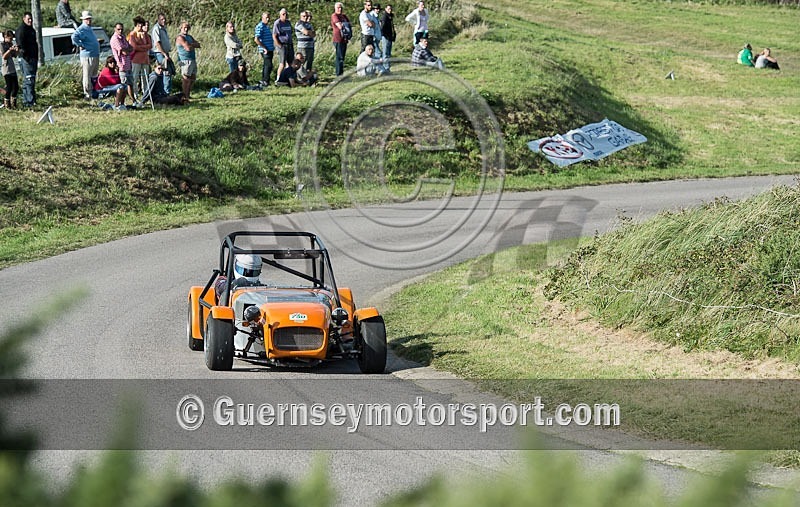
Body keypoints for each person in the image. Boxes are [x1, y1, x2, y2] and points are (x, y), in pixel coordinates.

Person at [71, 11, 101, 100]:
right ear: (83, 20)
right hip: (87, 55)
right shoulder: (82, 29)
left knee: (94, 75)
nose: (89, 21)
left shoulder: (89, 28)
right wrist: (81, 45)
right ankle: (87, 94)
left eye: (89, 19)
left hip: (94, 54)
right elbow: (74, 37)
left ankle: (94, 91)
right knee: (87, 75)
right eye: (87, 19)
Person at [15, 12, 37, 107]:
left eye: (31, 19)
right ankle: (29, 102)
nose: (30, 20)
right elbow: (20, 45)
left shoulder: (31, 29)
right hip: (26, 59)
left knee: (31, 80)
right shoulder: (21, 30)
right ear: (24, 19)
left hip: (33, 57)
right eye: (28, 19)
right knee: (28, 80)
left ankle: (30, 100)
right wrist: (26, 56)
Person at [128, 16, 152, 103]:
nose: (141, 28)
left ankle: (145, 96)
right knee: (134, 77)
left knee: (145, 78)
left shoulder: (145, 34)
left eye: (142, 26)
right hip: (135, 59)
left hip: (145, 59)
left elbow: (150, 45)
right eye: (139, 26)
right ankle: (135, 95)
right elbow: (134, 47)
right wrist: (144, 48)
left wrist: (142, 47)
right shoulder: (132, 34)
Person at [176, 21, 201, 101]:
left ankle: (188, 94)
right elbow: (188, 48)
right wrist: (192, 45)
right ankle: (184, 96)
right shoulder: (180, 37)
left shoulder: (189, 37)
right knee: (186, 79)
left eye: (187, 28)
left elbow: (198, 44)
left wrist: (191, 44)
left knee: (192, 78)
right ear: (181, 28)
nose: (186, 29)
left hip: (192, 59)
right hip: (185, 60)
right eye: (184, 27)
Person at [110, 22, 134, 107]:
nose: (120, 31)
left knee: (130, 84)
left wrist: (126, 50)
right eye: (118, 29)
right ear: (115, 29)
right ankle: (119, 104)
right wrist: (126, 50)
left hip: (128, 64)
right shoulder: (114, 39)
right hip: (121, 65)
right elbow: (123, 51)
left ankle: (130, 101)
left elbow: (131, 48)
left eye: (121, 29)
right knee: (123, 86)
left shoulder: (123, 37)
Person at [151, 13, 173, 94]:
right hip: (160, 53)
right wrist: (164, 54)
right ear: (158, 20)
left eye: (165, 19)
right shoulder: (156, 28)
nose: (164, 21)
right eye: (162, 19)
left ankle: (167, 91)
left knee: (168, 72)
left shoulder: (163, 28)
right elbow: (157, 43)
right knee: (165, 72)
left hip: (165, 53)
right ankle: (165, 92)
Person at [273, 8, 294, 83]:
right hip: (282, 44)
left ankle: (289, 77)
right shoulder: (277, 23)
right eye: (283, 14)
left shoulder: (288, 22)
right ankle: (278, 79)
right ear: (280, 15)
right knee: (282, 63)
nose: (285, 15)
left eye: (286, 14)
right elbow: (274, 35)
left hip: (289, 44)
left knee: (290, 63)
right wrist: (279, 45)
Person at [254, 12, 275, 86]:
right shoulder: (260, 26)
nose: (268, 19)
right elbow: (256, 39)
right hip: (265, 49)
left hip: (270, 48)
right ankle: (265, 80)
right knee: (268, 65)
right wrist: (264, 47)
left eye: (269, 17)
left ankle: (266, 80)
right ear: (262, 18)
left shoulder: (267, 26)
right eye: (266, 17)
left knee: (268, 65)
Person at [331, 2, 351, 76]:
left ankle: (341, 73)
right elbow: (340, 26)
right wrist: (344, 25)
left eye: (341, 8)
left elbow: (349, 24)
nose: (340, 9)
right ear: (335, 8)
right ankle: (338, 74)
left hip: (345, 38)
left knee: (342, 57)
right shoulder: (334, 16)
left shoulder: (344, 16)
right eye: (338, 8)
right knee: (339, 57)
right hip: (338, 39)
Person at [1, 30, 19, 109]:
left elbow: (15, 56)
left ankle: (13, 104)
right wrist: (9, 50)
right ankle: (7, 104)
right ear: (5, 37)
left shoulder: (10, 44)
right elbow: (4, 56)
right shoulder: (1, 45)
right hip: (6, 68)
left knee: (16, 87)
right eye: (10, 38)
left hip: (12, 68)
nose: (11, 40)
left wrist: (16, 50)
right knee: (9, 87)